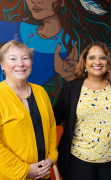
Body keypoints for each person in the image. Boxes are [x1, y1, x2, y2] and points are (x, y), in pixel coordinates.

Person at [53, 41, 111, 180]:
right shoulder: (71, 88)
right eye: (92, 57)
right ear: (84, 62)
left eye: (102, 58)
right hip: (78, 159)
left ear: (108, 62)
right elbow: (56, 116)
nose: (97, 62)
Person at [0, 40, 58, 180]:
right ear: (2, 65)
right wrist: (24, 170)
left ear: (31, 63)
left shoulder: (40, 92)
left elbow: (50, 127)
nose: (20, 64)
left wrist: (51, 157)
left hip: (44, 174)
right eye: (12, 59)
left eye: (25, 58)